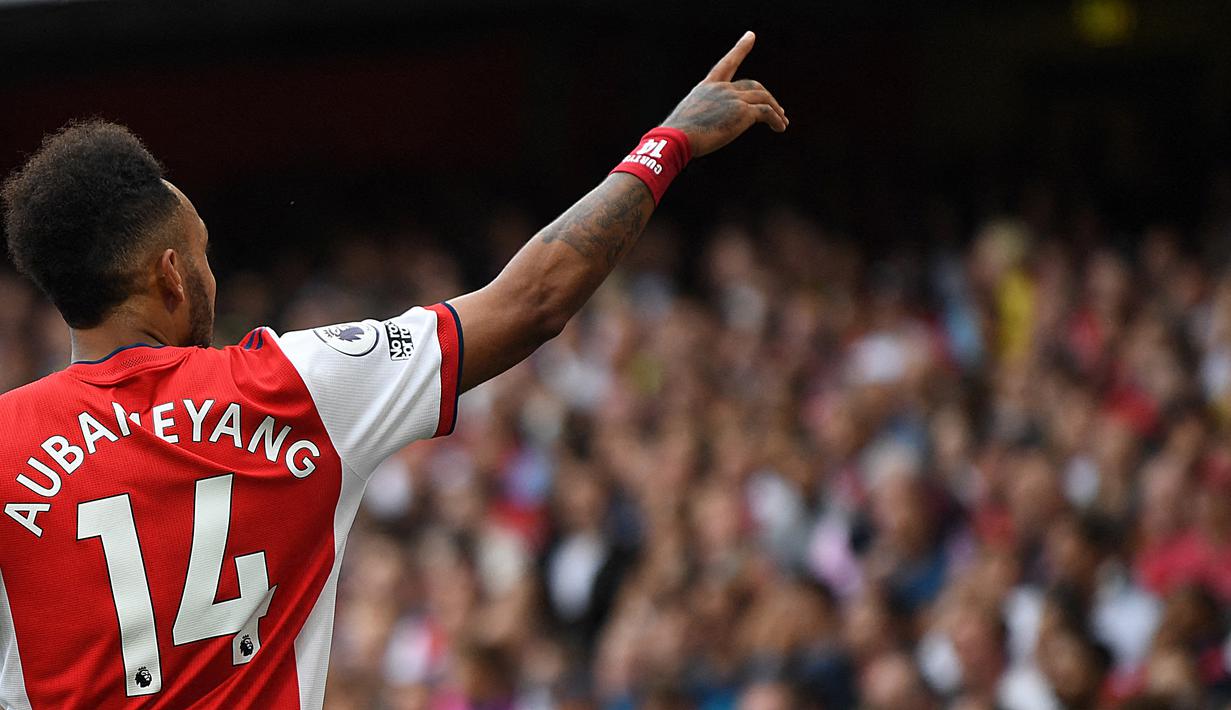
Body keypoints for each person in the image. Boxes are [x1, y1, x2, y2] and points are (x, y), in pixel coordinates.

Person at [0, 32, 787, 709]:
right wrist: (668, 141)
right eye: (203, 252)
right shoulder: (291, 387)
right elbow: (531, 300)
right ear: (170, 275)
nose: (211, 271)